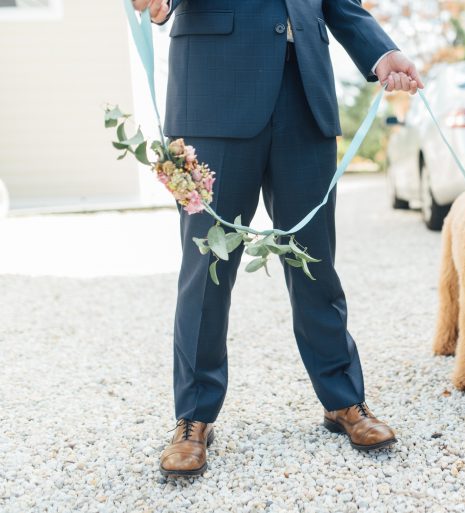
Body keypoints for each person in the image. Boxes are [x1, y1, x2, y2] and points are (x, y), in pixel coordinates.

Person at [131, 0, 424, 477]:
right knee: (206, 272)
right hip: (215, 98)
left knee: (315, 263)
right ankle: (194, 417)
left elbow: (338, 4)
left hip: (304, 99)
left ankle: (343, 401)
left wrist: (381, 53)